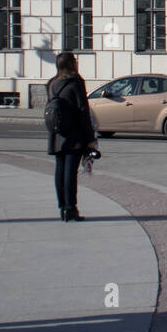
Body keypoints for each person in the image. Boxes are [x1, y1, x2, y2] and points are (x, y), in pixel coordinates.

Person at [46, 51, 96, 222]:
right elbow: (83, 111)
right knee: (70, 173)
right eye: (74, 60)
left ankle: (62, 207)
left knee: (59, 171)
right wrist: (90, 138)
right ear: (71, 64)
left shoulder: (52, 83)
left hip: (57, 133)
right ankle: (71, 208)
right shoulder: (76, 83)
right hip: (74, 133)